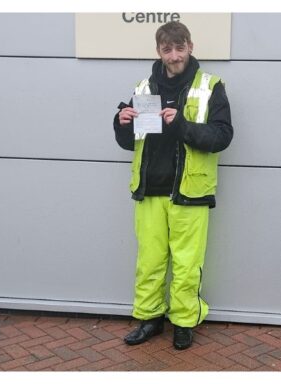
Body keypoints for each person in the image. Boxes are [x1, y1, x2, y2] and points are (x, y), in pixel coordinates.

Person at [112, 21, 233, 350]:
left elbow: (222, 137)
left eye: (180, 48)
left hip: (189, 193)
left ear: (190, 47)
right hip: (150, 190)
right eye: (168, 49)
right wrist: (121, 124)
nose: (175, 55)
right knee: (149, 261)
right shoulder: (143, 87)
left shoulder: (211, 86)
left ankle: (183, 323)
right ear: (159, 52)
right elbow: (130, 141)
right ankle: (149, 319)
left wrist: (180, 124)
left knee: (186, 264)